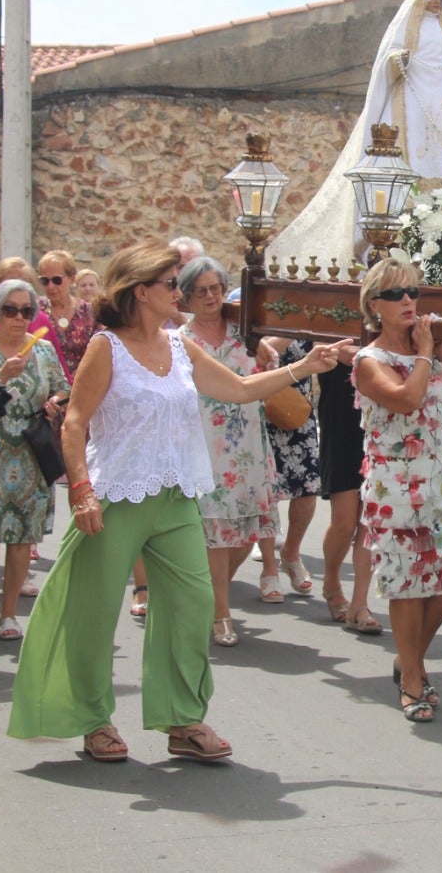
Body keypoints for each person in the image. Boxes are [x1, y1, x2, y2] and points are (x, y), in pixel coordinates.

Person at [7, 239, 347, 762]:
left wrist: (307, 367)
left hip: (177, 495)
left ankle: (182, 720)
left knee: (192, 604)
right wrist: (80, 492)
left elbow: (237, 388)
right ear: (141, 292)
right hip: (117, 495)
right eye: (171, 282)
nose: (180, 290)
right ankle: (94, 719)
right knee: (94, 613)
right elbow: (74, 424)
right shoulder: (107, 348)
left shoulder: (178, 345)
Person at [270, 0, 442, 268]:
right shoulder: (408, 24)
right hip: (412, 104)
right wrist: (397, 60)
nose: (435, 0)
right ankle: (398, 229)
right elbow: (388, 60)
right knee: (407, 158)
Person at [352, 260, 442, 724]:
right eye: (395, 293)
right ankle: (414, 678)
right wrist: (424, 354)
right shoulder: (369, 361)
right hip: (396, 485)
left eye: (412, 292)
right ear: (374, 306)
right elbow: (406, 399)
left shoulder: (430, 352)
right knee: (407, 583)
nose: (407, 300)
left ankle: (410, 659)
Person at [176, 256, 282, 646]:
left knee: (245, 532)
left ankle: (208, 593)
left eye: (216, 288)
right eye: (201, 290)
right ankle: (221, 612)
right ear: (186, 296)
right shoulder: (180, 339)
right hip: (205, 443)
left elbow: (273, 352)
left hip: (248, 442)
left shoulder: (245, 333)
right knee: (216, 533)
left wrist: (269, 354)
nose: (210, 296)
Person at [0, 279, 69, 641]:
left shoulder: (44, 351)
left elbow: (63, 386)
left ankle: (9, 613)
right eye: (11, 310)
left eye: (26, 311)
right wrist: (1, 375)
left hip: (30, 449)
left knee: (22, 534)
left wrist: (56, 401)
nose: (19, 318)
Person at [315, 345, 381, 634]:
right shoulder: (332, 311)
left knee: (369, 522)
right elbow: (331, 350)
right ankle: (331, 580)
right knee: (344, 522)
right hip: (342, 420)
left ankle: (359, 604)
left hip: (380, 424)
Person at [255, 336, 320, 598]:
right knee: (266, 493)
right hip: (260, 411)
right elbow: (262, 351)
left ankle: (291, 553)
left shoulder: (315, 312)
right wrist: (292, 329)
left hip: (299, 412)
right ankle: (269, 566)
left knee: (307, 490)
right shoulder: (263, 305)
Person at [38, 249, 99, 381]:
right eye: (44, 281)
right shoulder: (35, 310)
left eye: (56, 280)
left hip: (81, 385)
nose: (50, 286)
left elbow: (98, 352)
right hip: (45, 388)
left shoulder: (89, 313)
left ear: (72, 279)